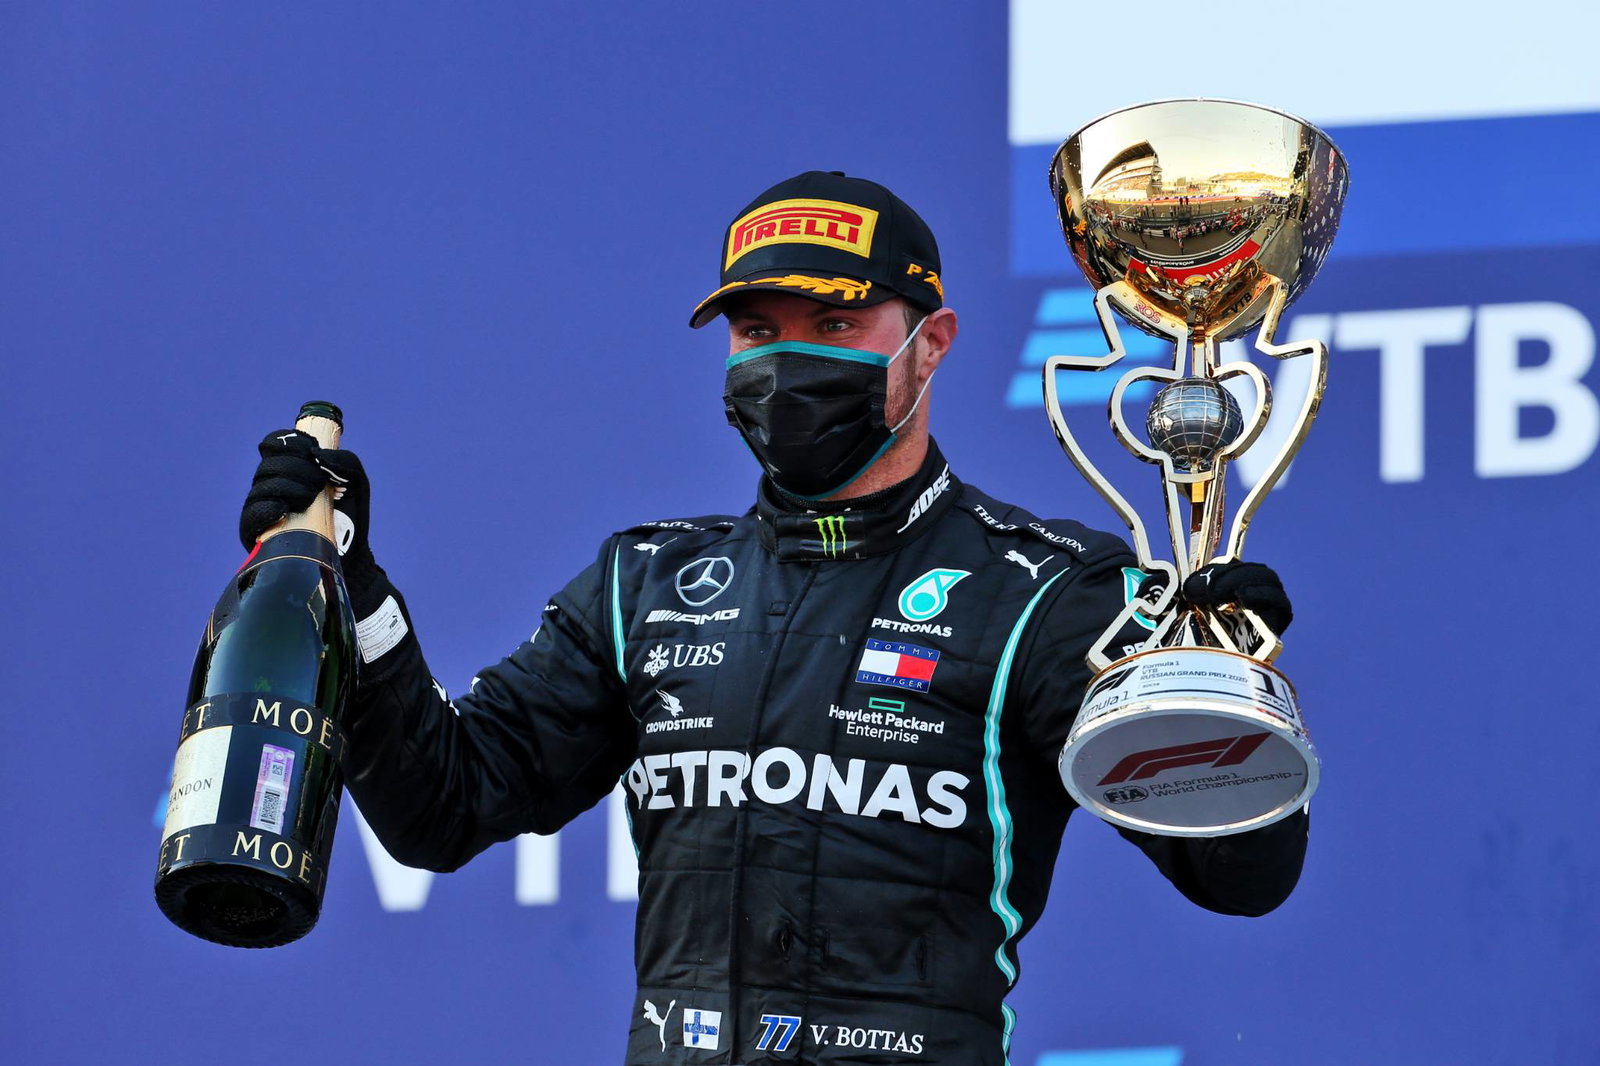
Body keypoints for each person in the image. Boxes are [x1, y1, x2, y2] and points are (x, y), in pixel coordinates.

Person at [240, 171, 1307, 1065]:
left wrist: (1222, 687)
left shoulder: (1040, 590)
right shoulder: (643, 584)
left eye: (835, 323)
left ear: (930, 342)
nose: (788, 359)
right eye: (759, 330)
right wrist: (355, 591)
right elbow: (442, 806)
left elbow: (1240, 876)